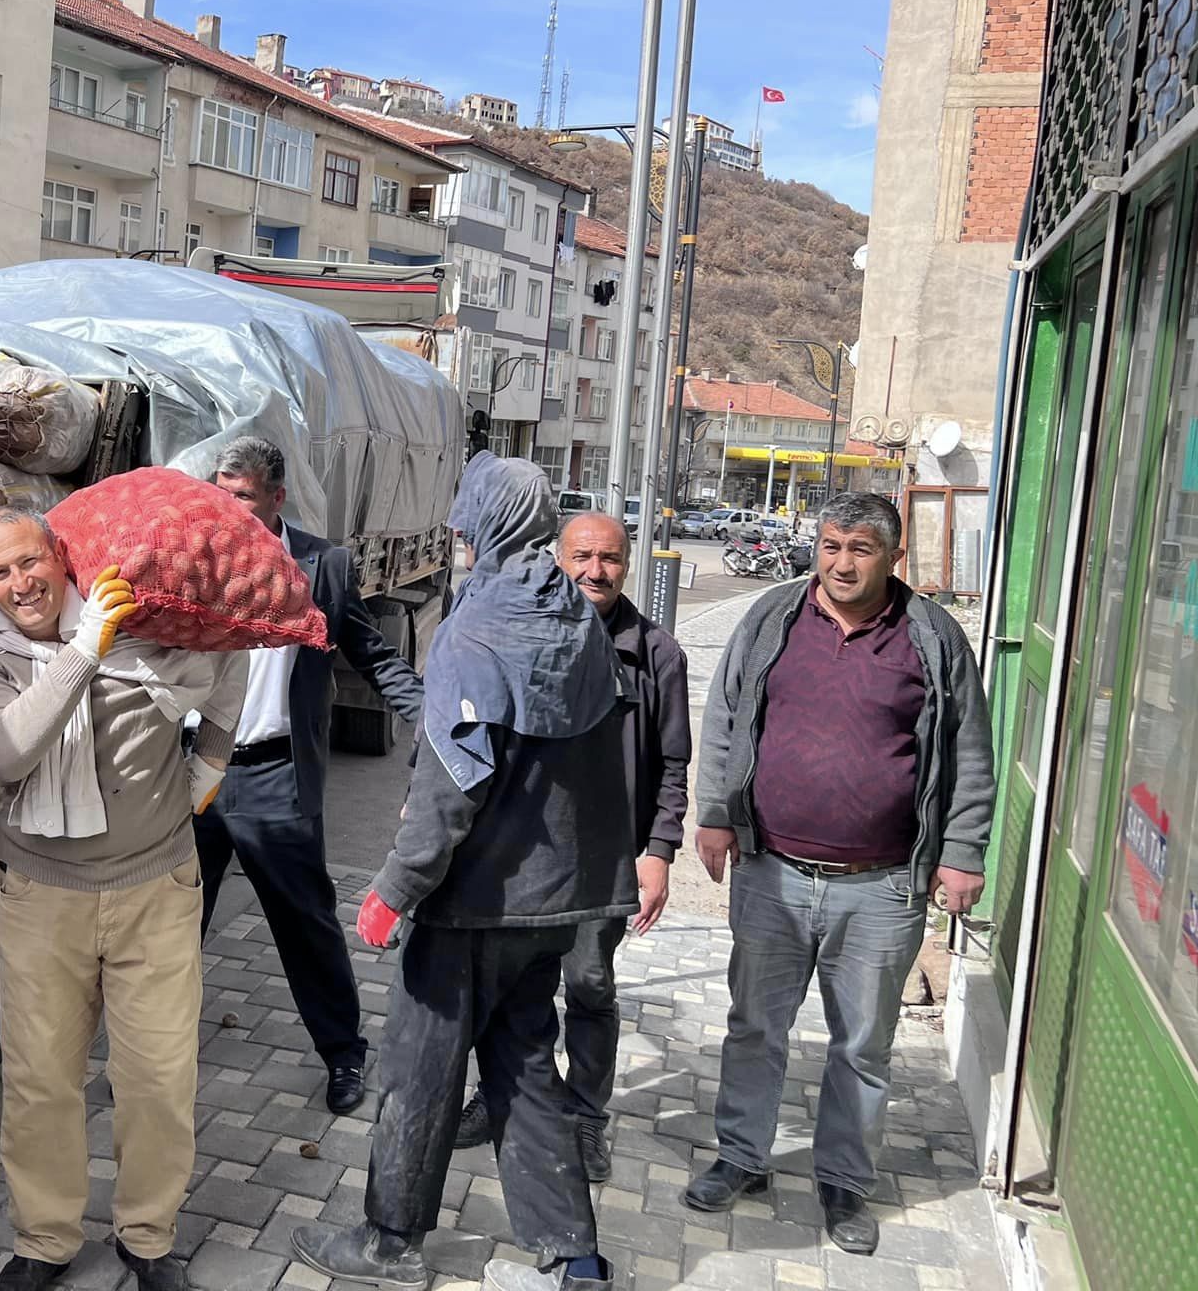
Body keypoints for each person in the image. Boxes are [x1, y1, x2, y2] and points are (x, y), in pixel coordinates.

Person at [292, 455, 634, 1291]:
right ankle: (577, 1258)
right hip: (554, 903)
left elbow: (453, 782)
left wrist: (395, 888)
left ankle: (390, 1243)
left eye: (466, 517)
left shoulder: (478, 626)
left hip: (469, 903)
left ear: (490, 524)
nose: (456, 532)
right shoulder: (576, 620)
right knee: (525, 1067)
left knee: (420, 1072)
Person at [0, 508, 247, 1291]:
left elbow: (231, 648)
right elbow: (8, 749)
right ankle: (46, 1240)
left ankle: (147, 1238)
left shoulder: (140, 622)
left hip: (156, 888)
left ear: (61, 556)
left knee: (158, 1079)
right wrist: (85, 650)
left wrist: (211, 762)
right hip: (42, 899)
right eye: (0, 573)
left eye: (30, 562)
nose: (21, 584)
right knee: (41, 1081)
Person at [682, 492, 993, 1258]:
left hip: (881, 885)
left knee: (861, 1043)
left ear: (893, 556)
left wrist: (962, 851)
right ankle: (742, 1156)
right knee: (756, 1026)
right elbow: (725, 718)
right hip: (771, 870)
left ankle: (845, 1181)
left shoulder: (933, 636)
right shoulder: (773, 618)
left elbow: (969, 751)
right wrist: (715, 812)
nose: (841, 563)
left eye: (860, 548)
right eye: (830, 545)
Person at [454, 511, 690, 1182]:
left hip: (604, 861)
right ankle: (497, 1096)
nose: (595, 571)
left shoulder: (656, 654)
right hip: (524, 852)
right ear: (558, 558)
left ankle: (586, 1115)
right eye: (582, 556)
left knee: (588, 984)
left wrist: (658, 850)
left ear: (627, 565)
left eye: (609, 558)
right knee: (508, 985)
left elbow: (673, 763)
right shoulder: (526, 634)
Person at [199, 436, 426, 1115]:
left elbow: (369, 651)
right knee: (171, 926)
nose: (228, 507)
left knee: (305, 923)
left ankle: (343, 1052)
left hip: (273, 774)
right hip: (191, 770)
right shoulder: (193, 554)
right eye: (221, 492)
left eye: (243, 496)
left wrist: (430, 717)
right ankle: (154, 1057)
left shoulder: (321, 566)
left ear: (277, 497)